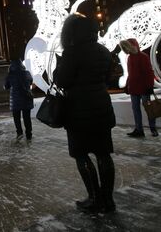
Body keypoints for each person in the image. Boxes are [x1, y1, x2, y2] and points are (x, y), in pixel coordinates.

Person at [54, 13, 116, 213]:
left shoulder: (72, 53)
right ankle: (108, 200)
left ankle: (94, 198)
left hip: (78, 111)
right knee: (104, 154)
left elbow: (62, 81)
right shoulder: (104, 51)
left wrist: (58, 69)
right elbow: (107, 79)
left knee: (81, 155)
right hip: (101, 108)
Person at [120, 38, 158, 137]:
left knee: (149, 109)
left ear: (133, 45)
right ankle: (139, 130)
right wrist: (127, 85)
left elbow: (149, 73)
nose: (126, 49)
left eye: (127, 46)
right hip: (133, 88)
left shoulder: (143, 57)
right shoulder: (129, 58)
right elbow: (130, 73)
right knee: (136, 110)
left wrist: (149, 86)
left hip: (144, 88)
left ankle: (153, 129)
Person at [4, 59, 34, 140]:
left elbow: (6, 86)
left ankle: (19, 133)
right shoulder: (27, 73)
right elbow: (31, 82)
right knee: (27, 118)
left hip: (15, 100)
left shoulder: (10, 74)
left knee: (16, 118)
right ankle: (29, 134)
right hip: (26, 98)